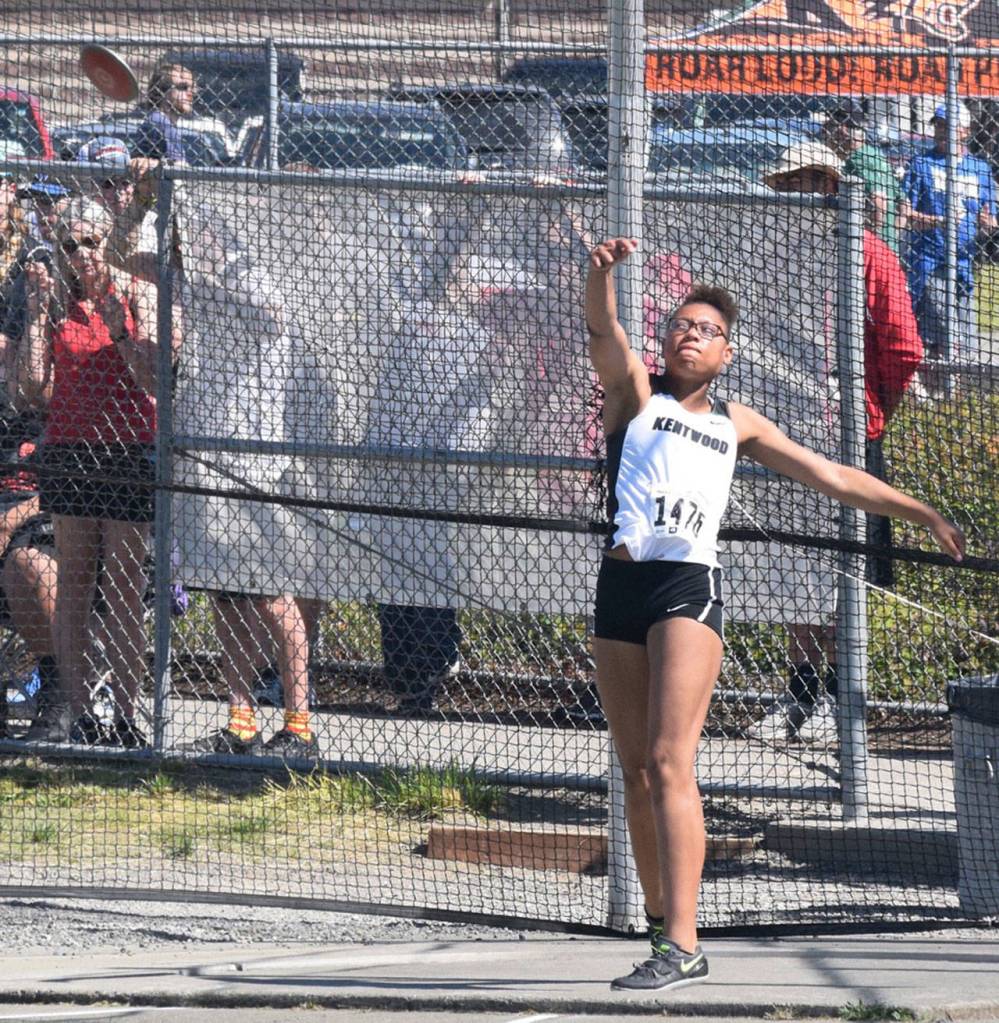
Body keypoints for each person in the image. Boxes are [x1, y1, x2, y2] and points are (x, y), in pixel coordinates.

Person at [585, 237, 963, 992]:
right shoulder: (637, 395)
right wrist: (598, 279)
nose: (690, 334)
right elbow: (604, 335)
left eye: (707, 329)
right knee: (632, 774)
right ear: (664, 340)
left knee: (667, 764)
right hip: (617, 591)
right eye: (680, 325)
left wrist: (917, 509)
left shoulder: (737, 423)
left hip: (685, 592)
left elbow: (831, 476)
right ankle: (665, 925)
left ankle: (683, 943)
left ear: (726, 353)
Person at [751, 140, 924, 741]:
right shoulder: (774, 254)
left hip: (845, 433)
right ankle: (800, 697)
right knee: (794, 566)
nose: (794, 195)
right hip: (784, 432)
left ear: (831, 186)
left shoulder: (869, 253)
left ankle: (839, 702)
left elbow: (904, 348)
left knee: (839, 575)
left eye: (805, 183)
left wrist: (870, 414)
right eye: (786, 185)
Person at [17, 199, 177, 746]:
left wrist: (122, 332)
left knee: (125, 587)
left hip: (127, 453)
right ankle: (80, 709)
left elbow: (157, 382)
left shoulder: (138, 294)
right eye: (70, 246)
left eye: (90, 243)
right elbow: (33, 391)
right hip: (69, 452)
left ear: (110, 241)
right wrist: (38, 318)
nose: (81, 255)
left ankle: (130, 713)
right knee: (75, 586)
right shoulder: (58, 301)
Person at [903, 103, 997, 373]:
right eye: (939, 125)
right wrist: (938, 221)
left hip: (964, 264)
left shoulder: (980, 169)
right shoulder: (922, 163)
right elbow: (907, 213)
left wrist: (987, 224)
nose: (941, 132)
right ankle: (937, 387)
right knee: (943, 331)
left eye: (948, 126)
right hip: (928, 260)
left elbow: (989, 219)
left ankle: (951, 396)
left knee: (963, 337)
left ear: (965, 131)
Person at [821, 99, 908, 254]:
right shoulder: (874, 154)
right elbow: (904, 204)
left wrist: (868, 239)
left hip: (870, 253)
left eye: (830, 125)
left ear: (843, 129)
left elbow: (878, 202)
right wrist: (891, 236)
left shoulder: (857, 160)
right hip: (887, 251)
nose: (825, 130)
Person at [133, 63, 195, 164]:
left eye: (192, 88)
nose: (190, 94)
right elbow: (178, 169)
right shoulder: (160, 123)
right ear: (161, 91)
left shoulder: (160, 121)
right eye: (182, 87)